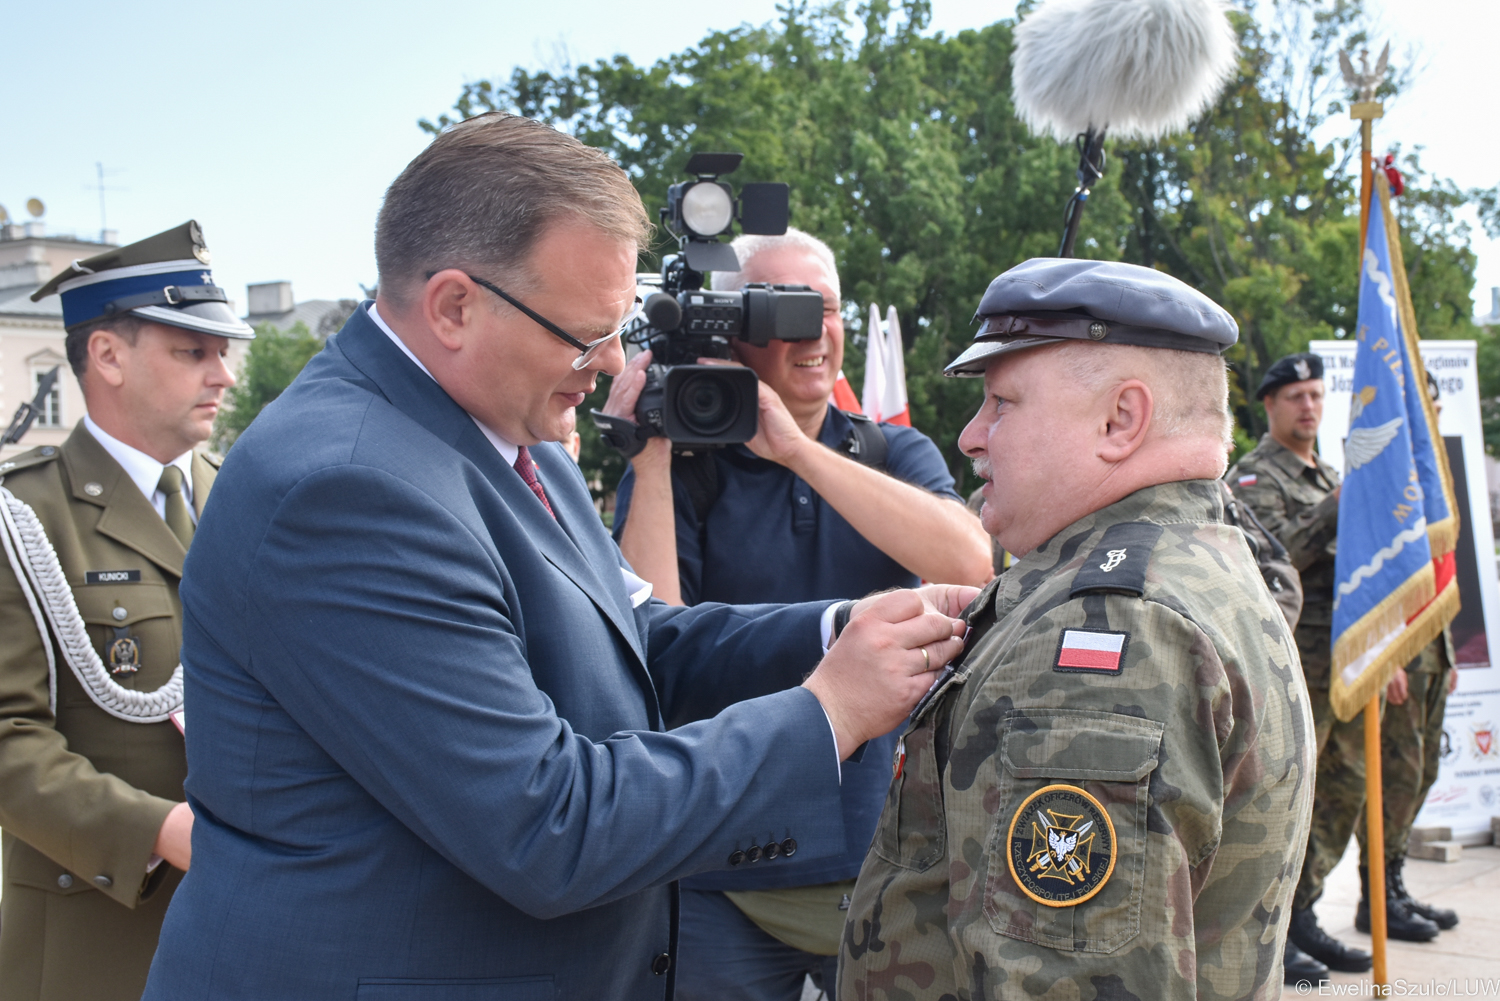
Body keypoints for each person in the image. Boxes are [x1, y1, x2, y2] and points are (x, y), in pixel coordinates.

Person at [141, 113, 974, 1001]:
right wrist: (828, 713)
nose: (612, 363)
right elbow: (548, 825)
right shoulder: (347, 488)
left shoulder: (508, 434)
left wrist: (835, 628)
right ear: (455, 305)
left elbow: (631, 638)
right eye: (584, 334)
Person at [840, 258, 1315, 1000]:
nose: (971, 435)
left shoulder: (1111, 632)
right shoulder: (1193, 560)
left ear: (1120, 420)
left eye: (1003, 402)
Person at [603, 229, 992, 1001]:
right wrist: (648, 456)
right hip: (727, 863)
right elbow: (656, 639)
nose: (814, 332)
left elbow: (972, 561)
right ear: (732, 333)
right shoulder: (686, 471)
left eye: (828, 308)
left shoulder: (892, 451)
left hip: (889, 851)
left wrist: (797, 450)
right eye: (784, 311)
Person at [0, 221, 253, 1001]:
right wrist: (158, 831)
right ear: (107, 356)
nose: (224, 376)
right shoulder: (23, 515)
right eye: (192, 352)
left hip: (252, 920)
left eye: (224, 351)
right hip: (99, 938)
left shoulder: (247, 494)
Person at [1230, 352, 1440, 970]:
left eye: (1317, 395)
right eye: (1294, 396)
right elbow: (1276, 558)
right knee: (1288, 796)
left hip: (1346, 660)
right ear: (1269, 404)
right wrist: (1340, 502)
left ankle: (1303, 912)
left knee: (1344, 791)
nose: (1309, 406)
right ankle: (1269, 931)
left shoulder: (1327, 475)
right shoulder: (1252, 478)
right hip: (1297, 663)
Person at [1352, 370, 1460, 938]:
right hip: (1398, 650)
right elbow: (1370, 575)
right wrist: (1384, 653)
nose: (1431, 418)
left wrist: (1447, 649)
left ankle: (1392, 884)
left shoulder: (1431, 474)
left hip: (1432, 649)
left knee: (1422, 774)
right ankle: (1375, 898)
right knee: (1395, 776)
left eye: (1435, 408)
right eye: (1421, 408)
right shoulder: (1383, 477)